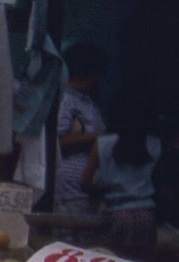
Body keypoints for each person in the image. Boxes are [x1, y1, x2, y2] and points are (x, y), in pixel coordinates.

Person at [82, 98, 161, 251]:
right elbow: (160, 181)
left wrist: (102, 188)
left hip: (115, 215)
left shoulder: (103, 143)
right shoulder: (155, 144)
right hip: (147, 215)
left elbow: (85, 183)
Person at [56, 42, 108, 215]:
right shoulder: (66, 99)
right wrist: (100, 137)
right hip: (69, 191)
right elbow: (56, 141)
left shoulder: (88, 102)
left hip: (87, 190)